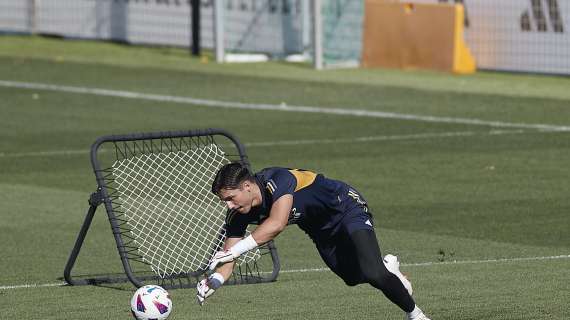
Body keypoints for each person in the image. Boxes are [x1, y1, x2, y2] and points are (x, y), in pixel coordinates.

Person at [196, 162, 431, 320]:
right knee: (351, 277)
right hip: (320, 230)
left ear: (247, 186)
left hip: (347, 209)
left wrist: (237, 250)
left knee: (374, 273)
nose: (228, 205)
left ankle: (416, 314)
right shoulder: (238, 213)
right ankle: (389, 269)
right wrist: (215, 281)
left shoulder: (277, 180)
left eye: (230, 198)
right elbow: (229, 255)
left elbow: (277, 224)